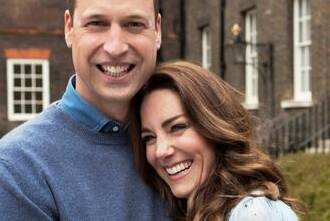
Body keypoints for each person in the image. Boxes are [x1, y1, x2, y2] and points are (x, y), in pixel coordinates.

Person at [0, 0, 171, 220]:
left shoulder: (193, 145)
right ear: (69, 28)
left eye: (134, 24)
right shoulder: (17, 168)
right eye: (96, 24)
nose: (115, 47)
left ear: (157, 30)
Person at [130, 61, 304, 221]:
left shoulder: (253, 213)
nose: (160, 151)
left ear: (213, 126)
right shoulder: (194, 209)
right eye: (149, 138)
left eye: (177, 128)